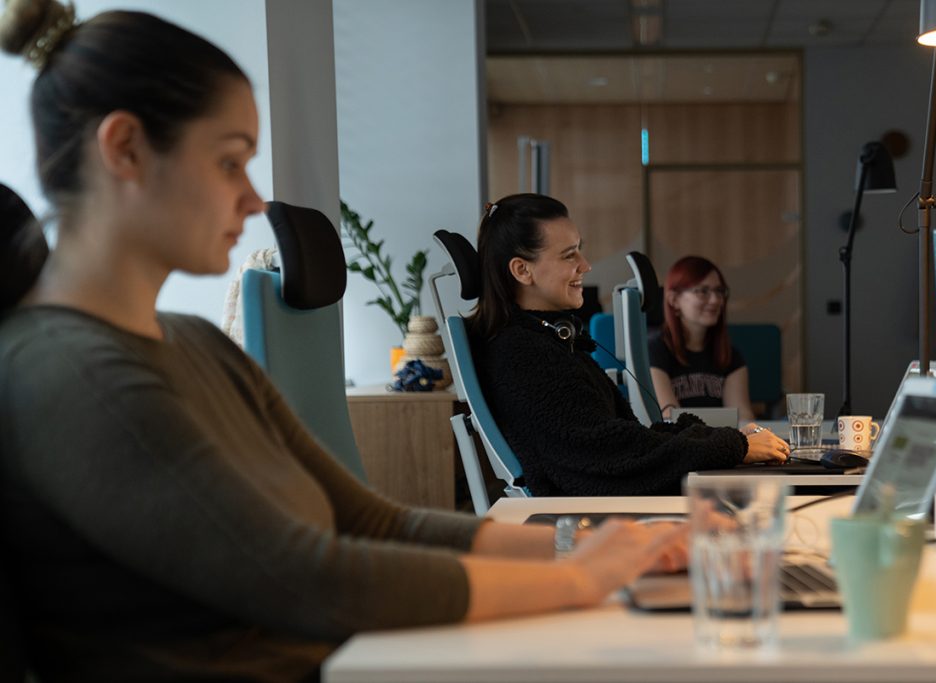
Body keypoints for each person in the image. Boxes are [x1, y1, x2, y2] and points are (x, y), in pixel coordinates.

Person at [0, 2, 690, 680]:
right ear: (124, 148)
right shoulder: (69, 373)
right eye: (230, 162)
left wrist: (598, 544)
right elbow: (309, 579)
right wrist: (581, 578)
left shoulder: (195, 343)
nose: (251, 198)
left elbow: (373, 521)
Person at [469, 194, 789, 498]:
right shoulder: (525, 357)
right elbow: (609, 452)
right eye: (569, 255)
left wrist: (721, 440)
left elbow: (616, 440)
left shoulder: (543, 342)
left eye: (580, 250)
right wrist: (731, 446)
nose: (585, 265)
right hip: (590, 518)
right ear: (522, 270)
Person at [649, 256, 756, 422]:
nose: (715, 300)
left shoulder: (730, 355)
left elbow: (743, 417)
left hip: (724, 443)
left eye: (719, 291)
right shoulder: (654, 352)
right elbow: (670, 417)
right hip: (680, 443)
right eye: (702, 291)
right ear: (674, 300)